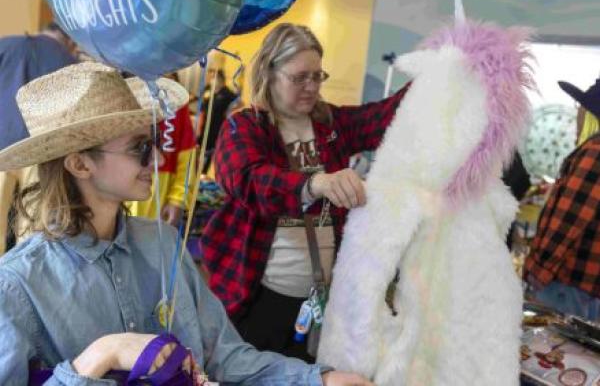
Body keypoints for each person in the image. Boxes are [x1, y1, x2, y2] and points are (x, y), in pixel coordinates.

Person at [0, 62, 373, 385]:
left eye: (153, 143)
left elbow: (225, 357)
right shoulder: (20, 286)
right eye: (140, 148)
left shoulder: (162, 246)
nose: (158, 159)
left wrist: (319, 378)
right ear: (80, 164)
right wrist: (102, 355)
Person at [200, 23, 409, 361]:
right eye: (299, 78)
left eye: (317, 76)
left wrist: (440, 74)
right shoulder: (245, 125)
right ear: (270, 71)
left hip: (320, 301)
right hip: (257, 298)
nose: (311, 87)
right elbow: (249, 181)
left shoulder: (331, 123)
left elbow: (386, 117)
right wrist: (315, 183)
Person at [524, 77, 600, 320]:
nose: (576, 116)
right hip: (587, 288)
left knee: (547, 353)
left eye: (581, 110)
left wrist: (536, 271)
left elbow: (569, 220)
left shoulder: (595, 152)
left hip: (568, 286)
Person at [0, 21, 78, 254]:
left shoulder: (6, 46)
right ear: (70, 41)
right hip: (42, 152)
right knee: (31, 227)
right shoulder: (69, 63)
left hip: (1, 146)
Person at [200, 68, 239, 173]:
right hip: (203, 126)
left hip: (216, 127)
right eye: (211, 77)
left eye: (214, 77)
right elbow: (202, 106)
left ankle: (203, 173)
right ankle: (197, 173)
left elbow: (239, 102)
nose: (212, 80)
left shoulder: (227, 93)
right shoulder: (208, 89)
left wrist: (231, 111)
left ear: (221, 79)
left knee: (209, 153)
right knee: (199, 152)